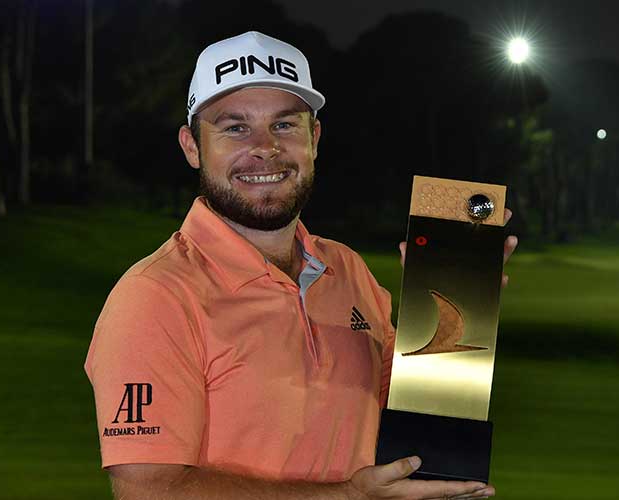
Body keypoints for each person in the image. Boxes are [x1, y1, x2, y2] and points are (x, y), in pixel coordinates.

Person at [84, 31, 517, 500]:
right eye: (234, 128)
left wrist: (448, 300)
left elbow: (413, 419)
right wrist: (349, 497)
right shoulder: (154, 296)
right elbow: (148, 490)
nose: (265, 147)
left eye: (285, 125)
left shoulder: (347, 270)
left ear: (314, 137)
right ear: (192, 146)